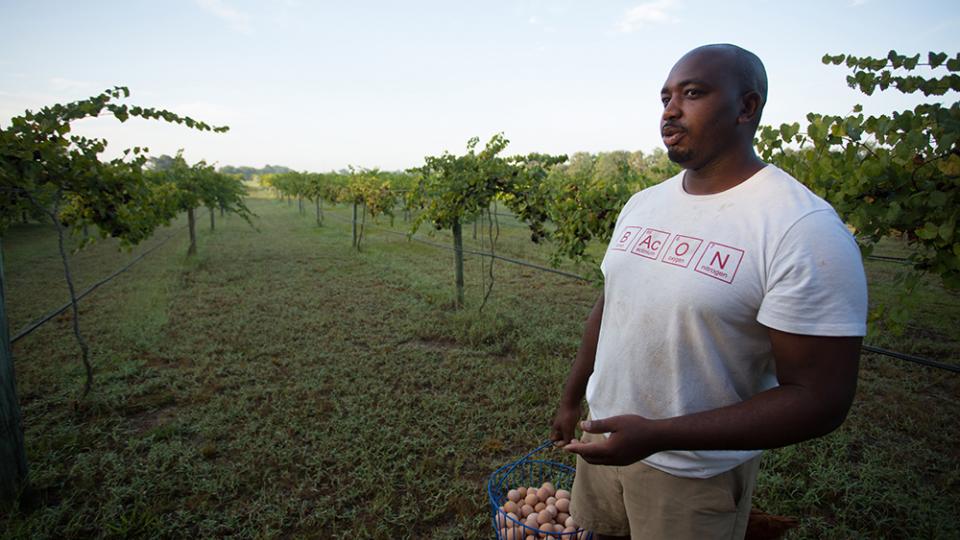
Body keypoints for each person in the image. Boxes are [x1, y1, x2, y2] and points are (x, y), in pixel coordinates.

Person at [549, 43, 868, 539]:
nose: (670, 111)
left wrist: (658, 436)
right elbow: (612, 303)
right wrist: (573, 397)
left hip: (693, 477)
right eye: (665, 97)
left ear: (747, 107)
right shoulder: (643, 204)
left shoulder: (799, 228)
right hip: (605, 443)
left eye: (693, 93)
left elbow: (821, 398)